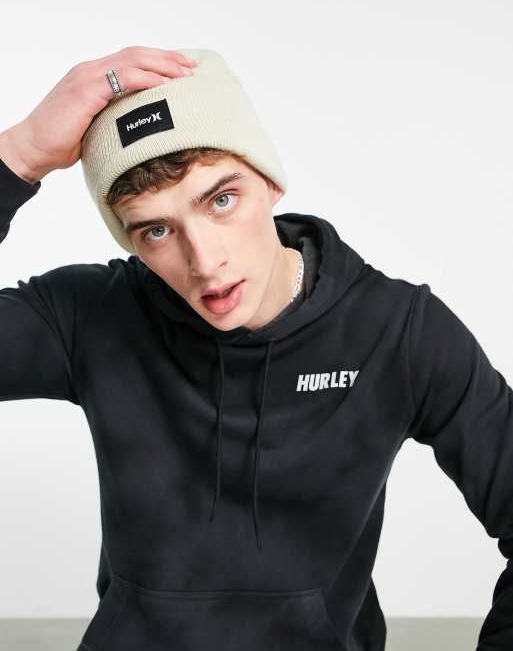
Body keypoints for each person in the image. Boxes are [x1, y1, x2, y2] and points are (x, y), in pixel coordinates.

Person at [0, 45, 511, 651]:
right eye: (157, 230)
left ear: (269, 180)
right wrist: (20, 153)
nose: (204, 260)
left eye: (221, 200)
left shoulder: (398, 330)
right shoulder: (88, 316)